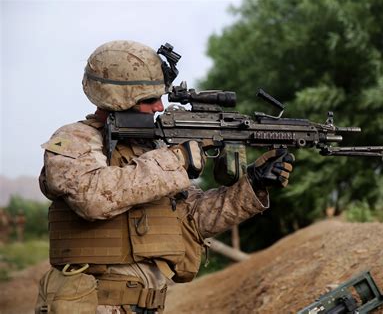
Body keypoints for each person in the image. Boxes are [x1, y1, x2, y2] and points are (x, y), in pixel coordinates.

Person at [35, 40, 294, 314]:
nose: (159, 107)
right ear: (118, 99)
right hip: (91, 304)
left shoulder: (151, 149)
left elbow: (192, 220)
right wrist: (177, 160)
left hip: (144, 305)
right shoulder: (75, 138)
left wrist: (252, 185)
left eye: (160, 97)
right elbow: (93, 198)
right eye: (149, 100)